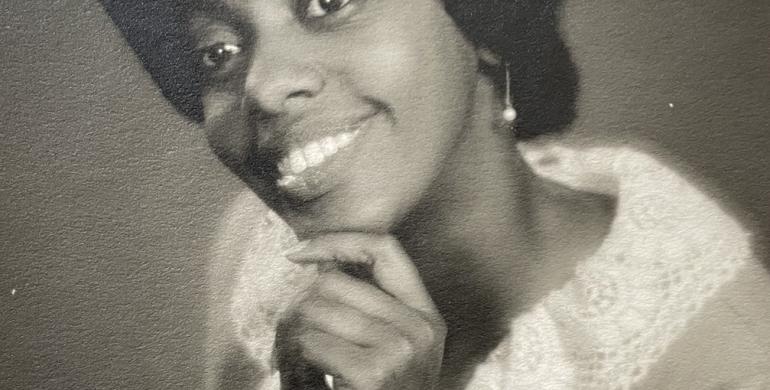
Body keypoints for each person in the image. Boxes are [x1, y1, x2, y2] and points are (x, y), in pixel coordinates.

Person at [103, 0, 770, 388]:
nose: (263, 86)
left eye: (328, 0)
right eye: (216, 52)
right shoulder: (259, 258)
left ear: (481, 20)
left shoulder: (728, 364)